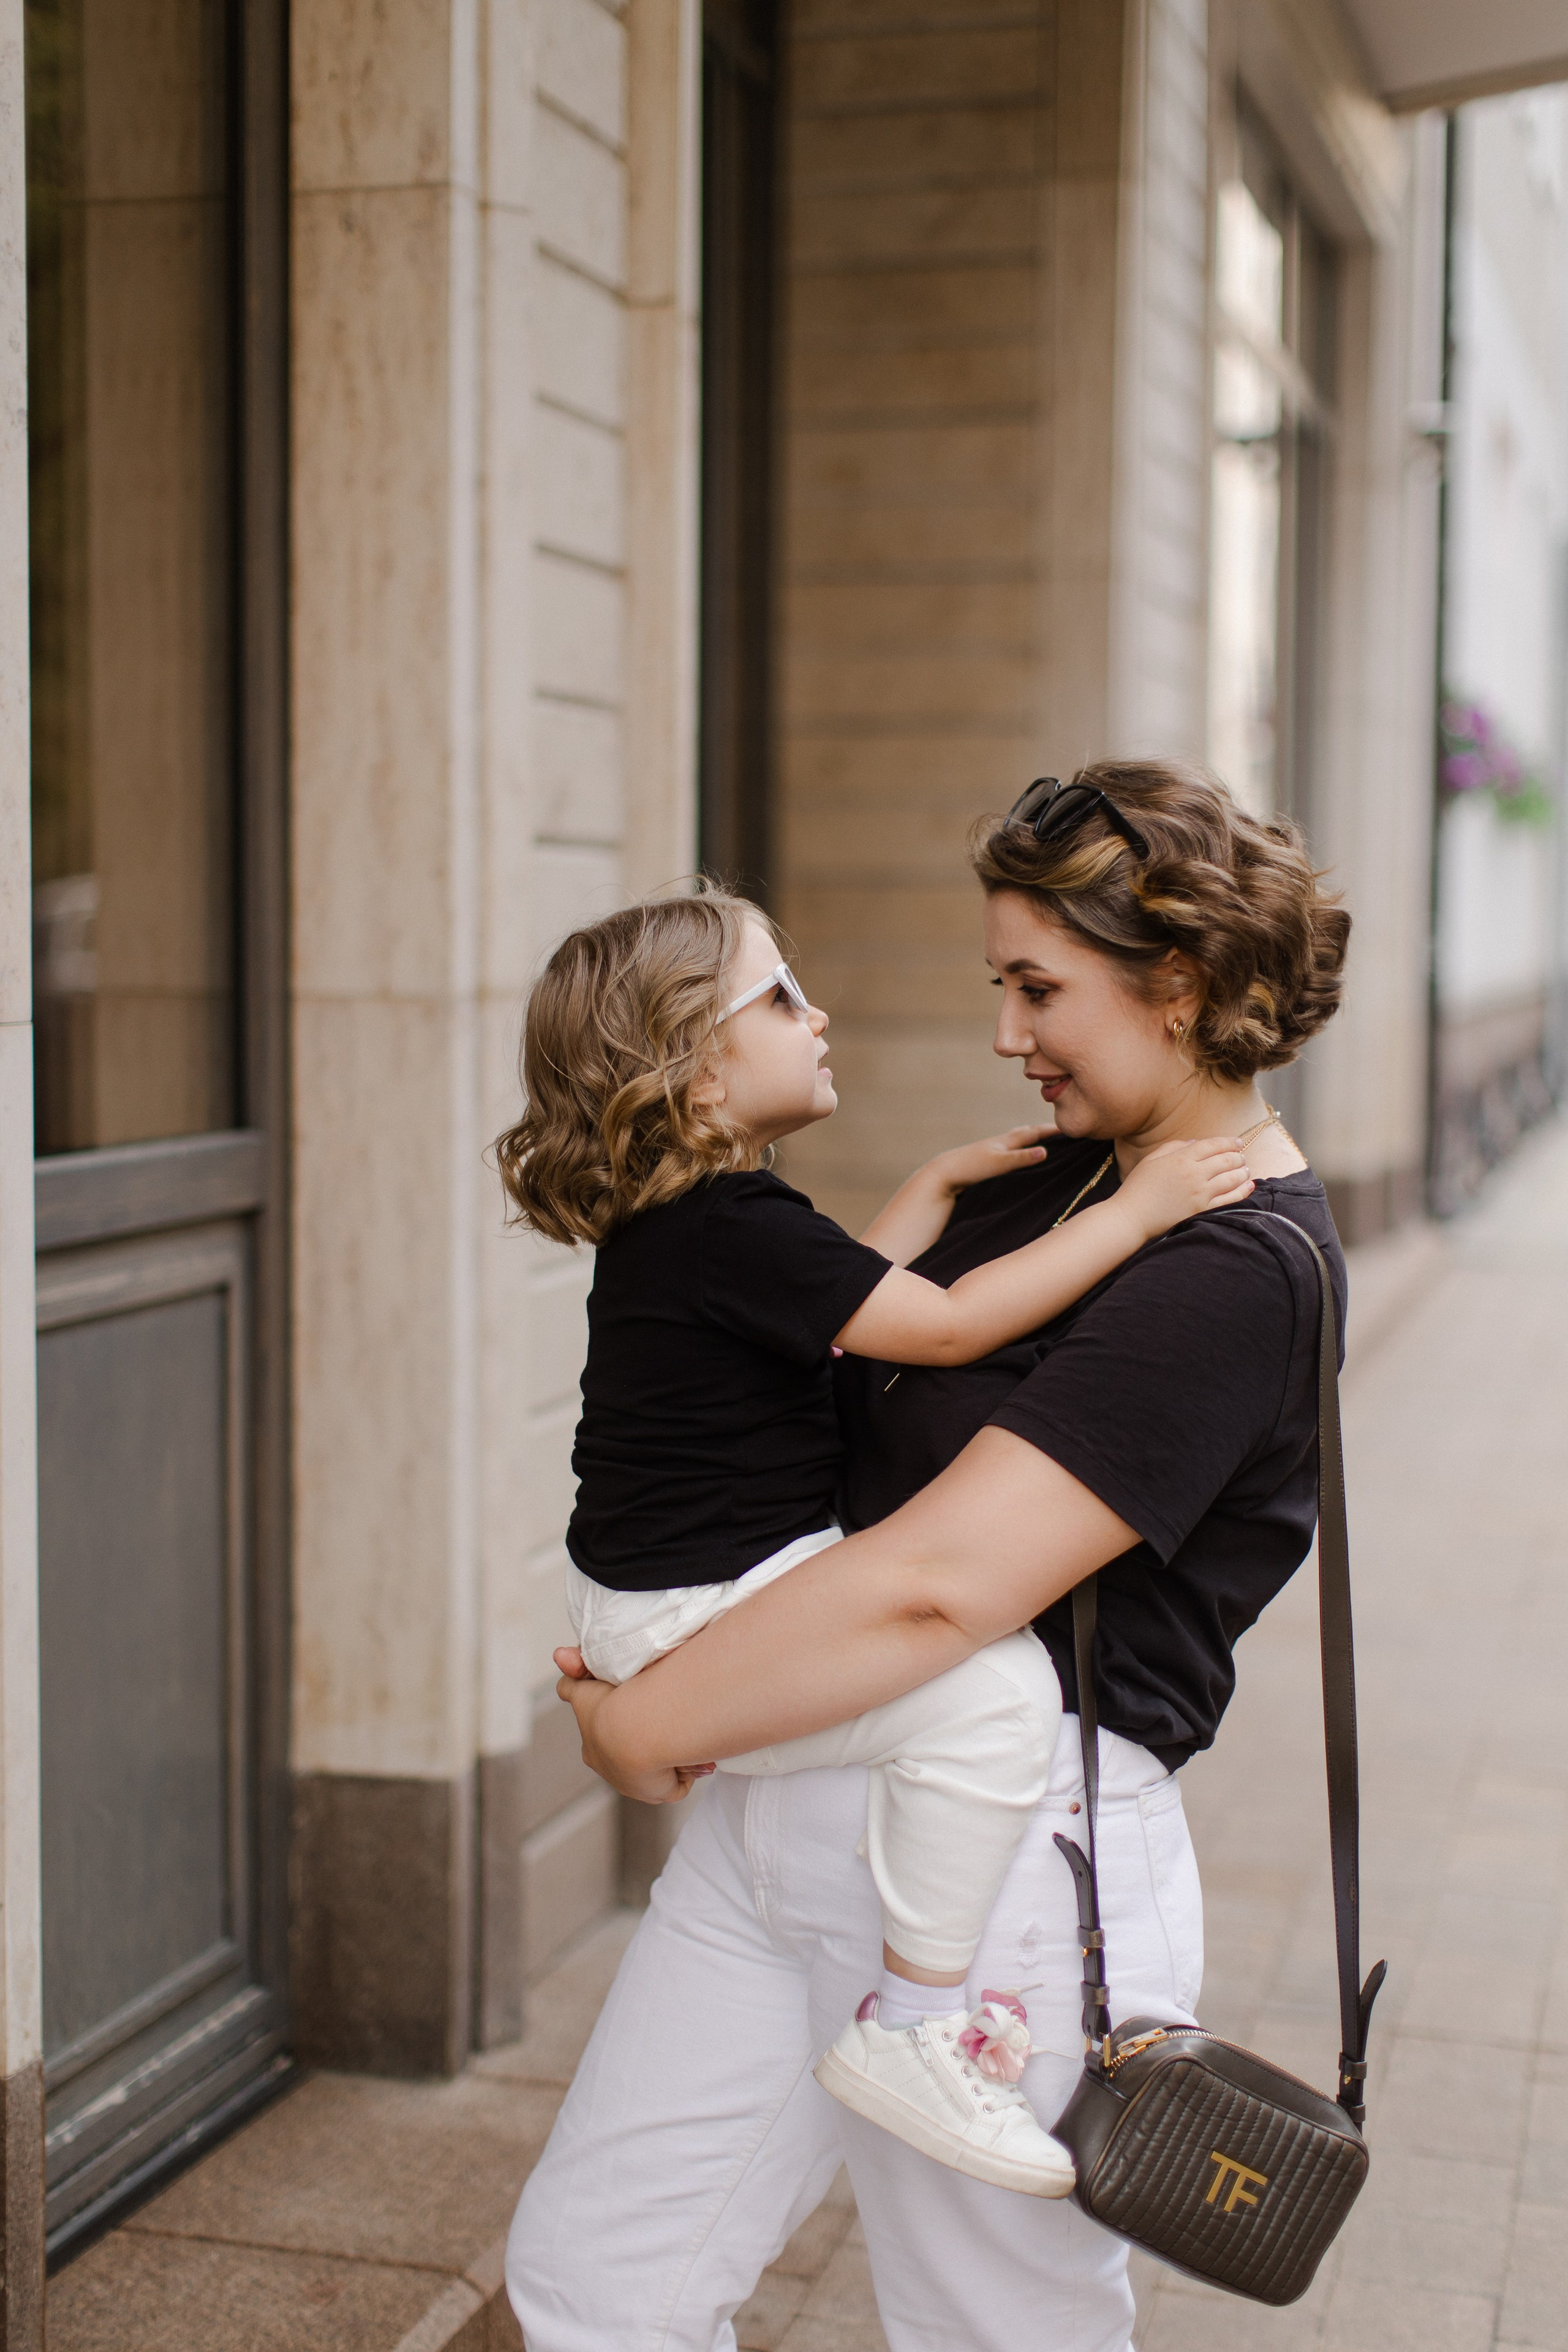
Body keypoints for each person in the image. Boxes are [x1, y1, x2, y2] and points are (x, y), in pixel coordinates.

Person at [506, 761, 1352, 2352]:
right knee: (594, 2289)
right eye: (998, 986)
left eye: (1039, 989)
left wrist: (643, 1722)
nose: (1005, 1036)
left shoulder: (1239, 1267)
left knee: (991, 2337)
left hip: (1009, 1874)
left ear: (1178, 985)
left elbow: (943, 1582)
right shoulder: (1060, 1179)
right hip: (776, 1824)